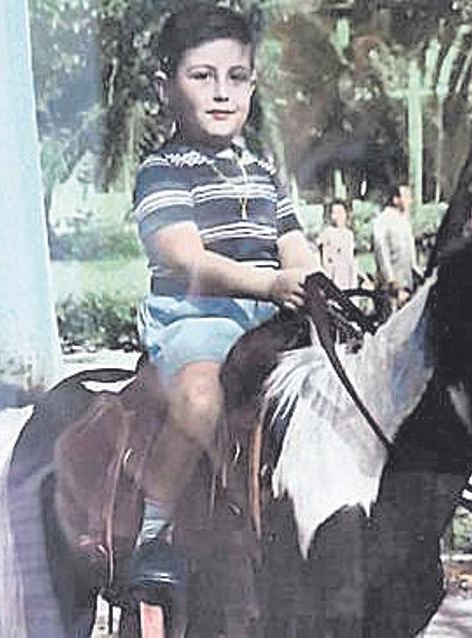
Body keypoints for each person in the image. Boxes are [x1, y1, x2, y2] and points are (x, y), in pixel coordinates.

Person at [129, 4, 318, 598]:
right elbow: (185, 259)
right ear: (166, 88)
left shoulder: (262, 175)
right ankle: (154, 528)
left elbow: (295, 247)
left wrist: (317, 279)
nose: (221, 94)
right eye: (201, 76)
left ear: (253, 86)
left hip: (266, 322)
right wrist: (266, 284)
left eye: (236, 78)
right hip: (197, 319)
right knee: (201, 394)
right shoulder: (164, 171)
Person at [371, 184, 417, 308]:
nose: (410, 201)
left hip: (407, 285)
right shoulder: (383, 220)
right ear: (396, 200)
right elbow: (381, 251)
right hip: (391, 288)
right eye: (406, 197)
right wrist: (391, 280)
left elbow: (411, 255)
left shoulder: (404, 221)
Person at [315, 199, 358, 289]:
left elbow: (351, 258)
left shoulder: (349, 234)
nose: (337, 216)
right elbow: (324, 259)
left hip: (347, 274)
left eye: (340, 212)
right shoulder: (327, 233)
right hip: (334, 275)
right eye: (334, 213)